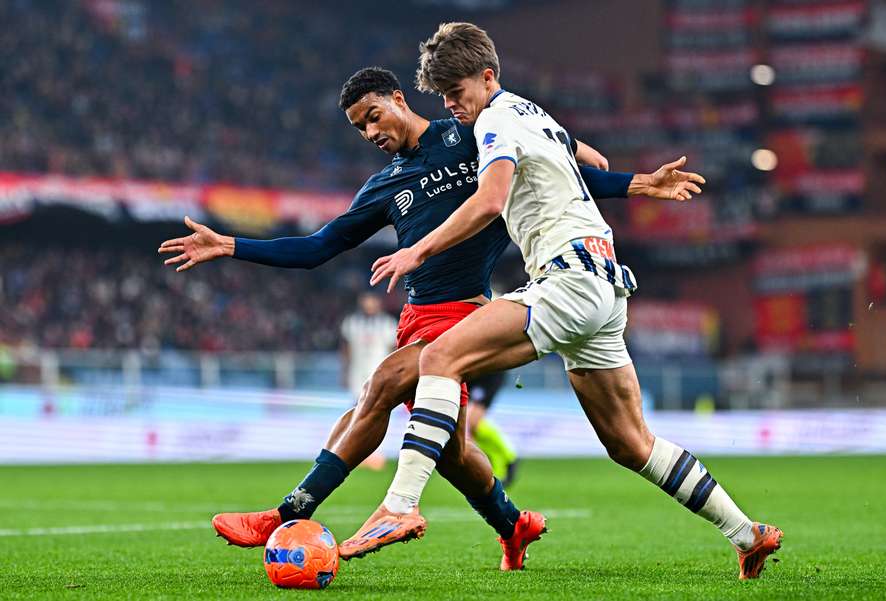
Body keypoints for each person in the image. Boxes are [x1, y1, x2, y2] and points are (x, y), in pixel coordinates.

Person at [159, 66, 704, 570]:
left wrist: (639, 183)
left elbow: (565, 169)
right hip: (416, 317)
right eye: (358, 127)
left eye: (374, 115)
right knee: (451, 453)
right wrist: (230, 244)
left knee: (382, 385)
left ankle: (285, 514)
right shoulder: (383, 187)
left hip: (467, 315)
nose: (369, 131)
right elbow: (316, 247)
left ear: (400, 99)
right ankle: (513, 524)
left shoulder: (470, 136)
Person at [344, 23, 782, 581]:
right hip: (603, 285)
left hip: (567, 279)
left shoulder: (497, 122)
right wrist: (641, 183)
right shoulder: (532, 112)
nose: (452, 104)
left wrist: (418, 251)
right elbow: (590, 162)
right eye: (444, 95)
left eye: (458, 91)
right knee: (630, 443)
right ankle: (748, 534)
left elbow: (491, 199)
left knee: (438, 357)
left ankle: (398, 508)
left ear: (487, 76)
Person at [340, 292, 396, 469]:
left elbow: (393, 351)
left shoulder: (388, 324)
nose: (369, 304)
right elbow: (346, 350)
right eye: (366, 301)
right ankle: (357, 452)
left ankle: (376, 453)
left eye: (372, 301)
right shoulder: (351, 323)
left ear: (378, 303)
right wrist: (344, 372)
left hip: (379, 375)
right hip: (357, 375)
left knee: (377, 413)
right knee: (357, 413)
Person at [466, 371, 517, 485]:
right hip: (472, 369)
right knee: (470, 426)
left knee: (473, 422)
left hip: (490, 371)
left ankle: (509, 457)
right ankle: (491, 469)